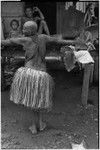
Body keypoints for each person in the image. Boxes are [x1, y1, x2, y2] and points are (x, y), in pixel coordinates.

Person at [1, 21, 73, 134]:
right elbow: (59, 41)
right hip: (42, 75)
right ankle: (40, 123)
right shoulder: (43, 37)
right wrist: (76, 41)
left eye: (24, 29)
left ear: (30, 30)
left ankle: (34, 126)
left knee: (32, 101)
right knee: (38, 100)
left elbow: (8, 41)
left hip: (29, 73)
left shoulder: (25, 40)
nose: (23, 30)